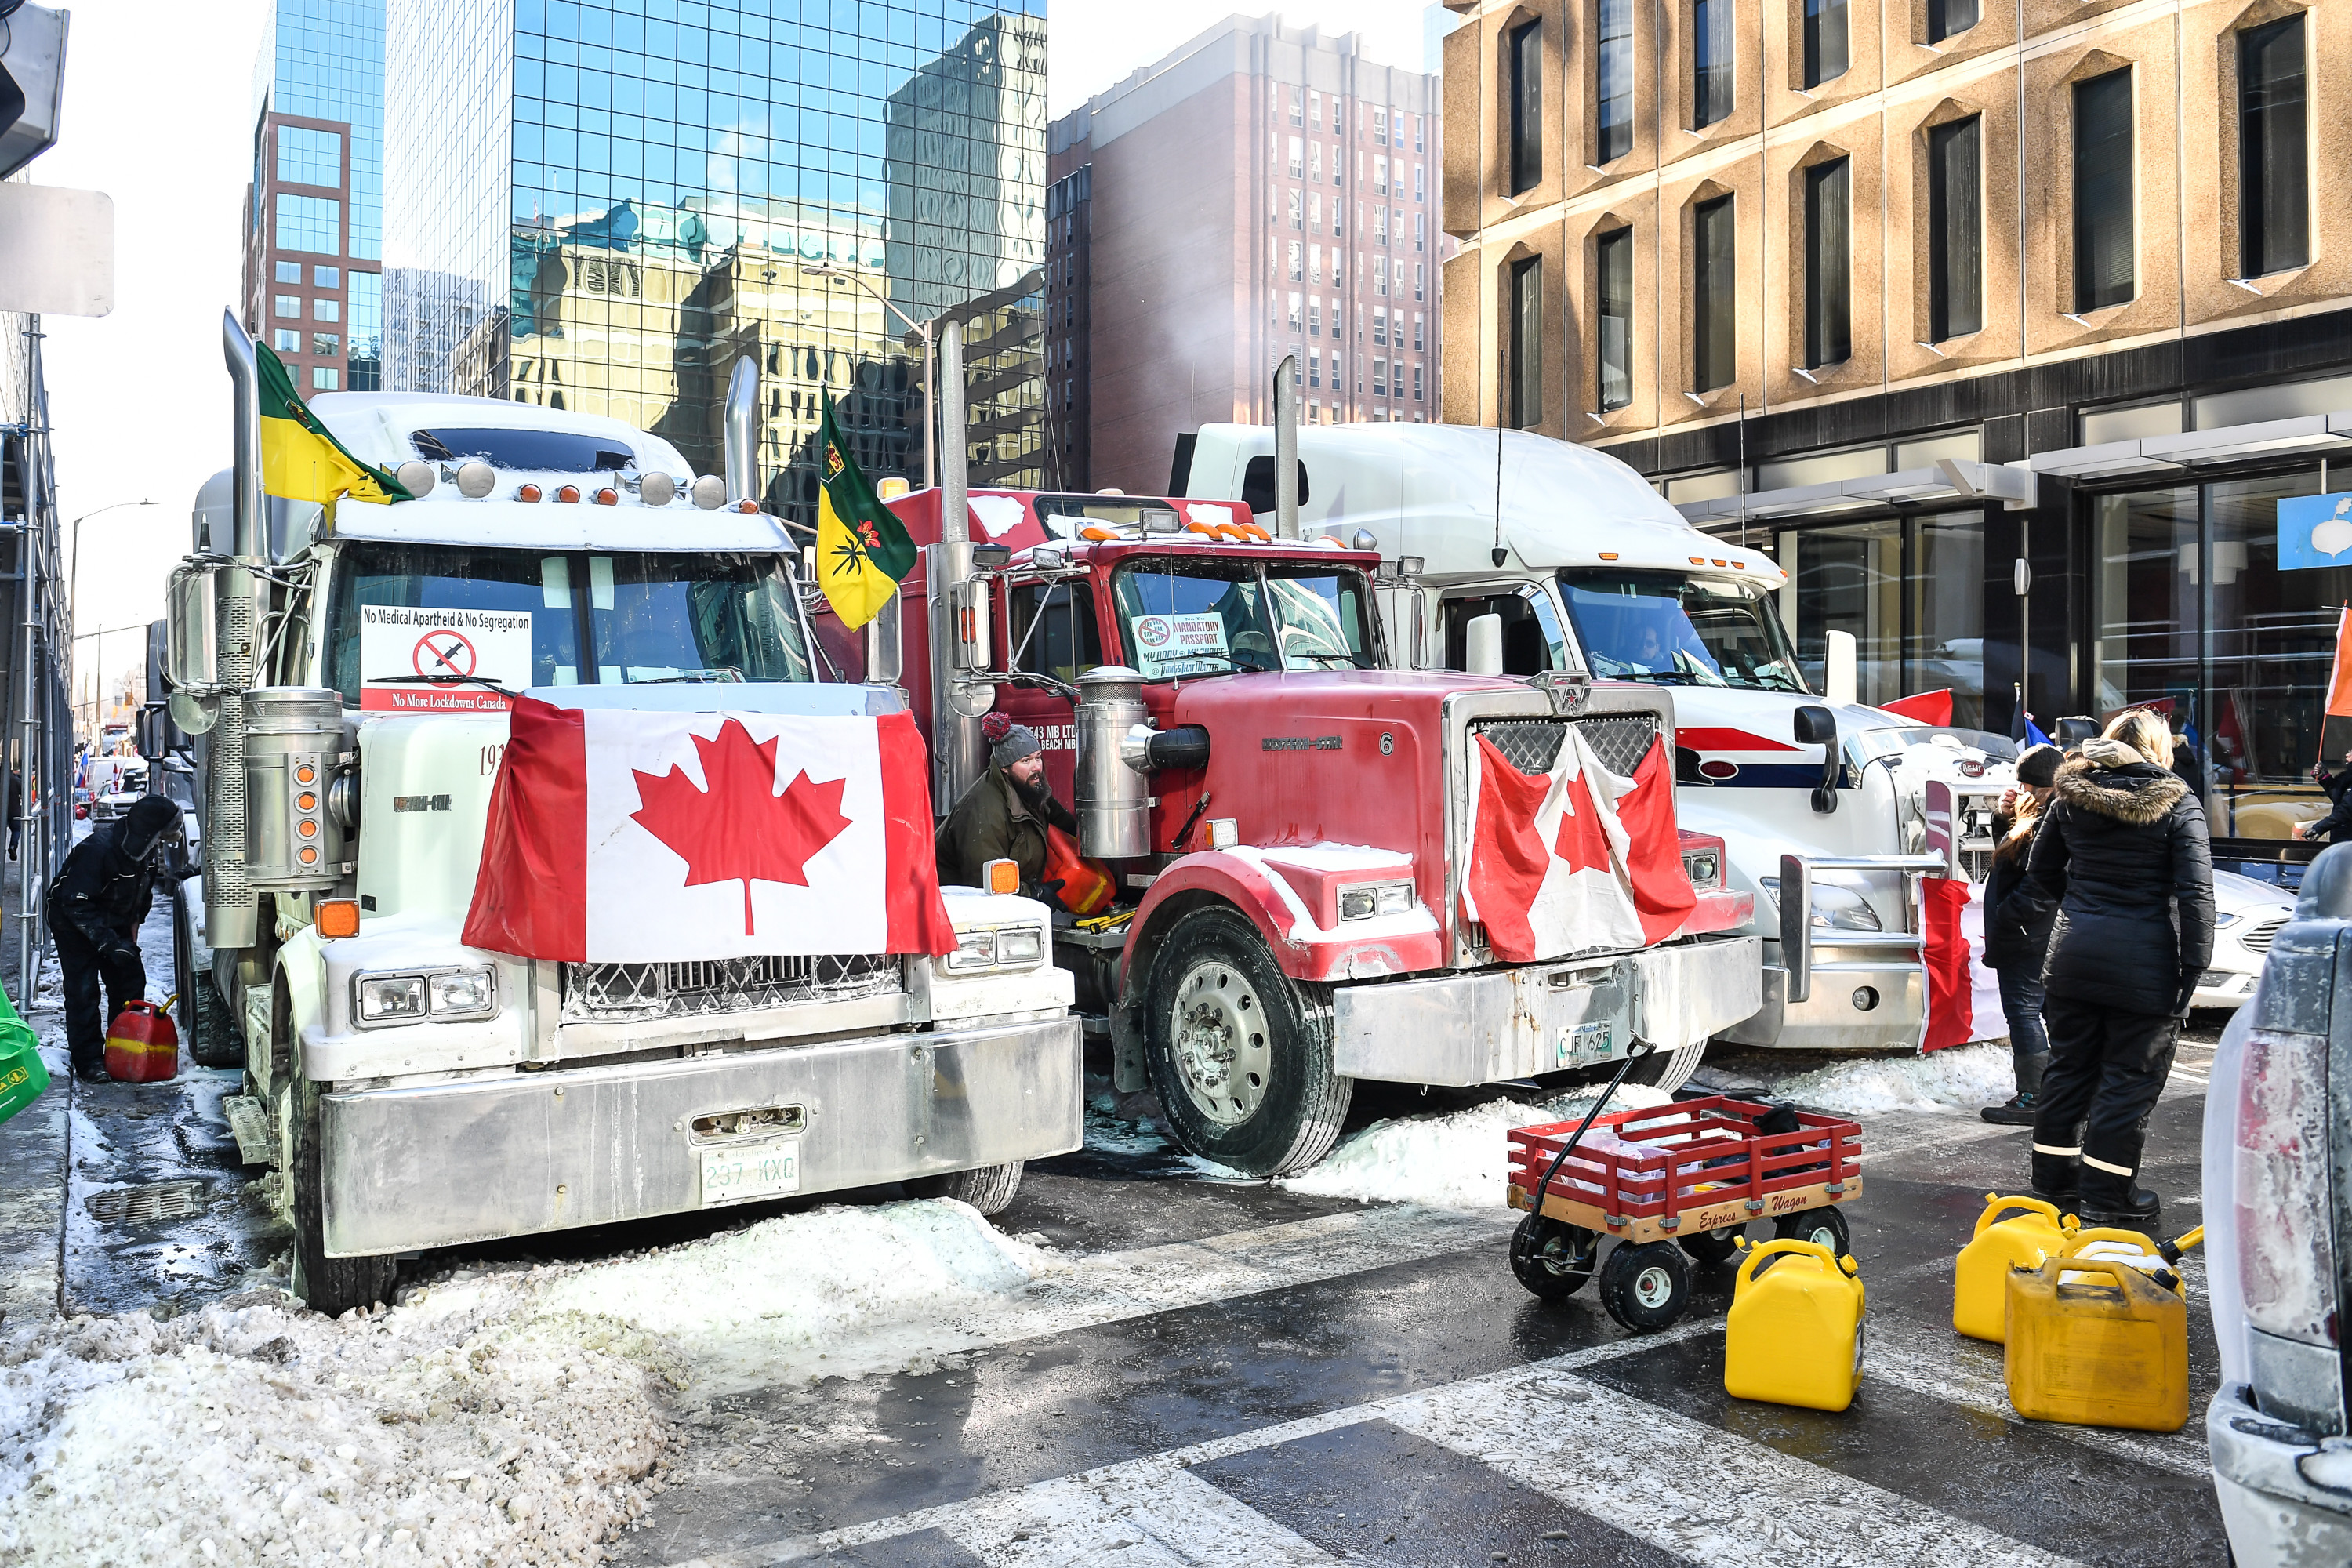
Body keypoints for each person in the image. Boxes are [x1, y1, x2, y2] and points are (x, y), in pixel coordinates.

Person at [2021, 710, 2214, 1226]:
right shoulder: (2178, 802)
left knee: (2067, 1072)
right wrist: (2194, 966)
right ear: (2159, 748)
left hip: (2073, 959)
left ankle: (2053, 1189)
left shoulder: (2070, 796)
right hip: (2148, 966)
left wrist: (2083, 913)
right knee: (2128, 1082)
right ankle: (2109, 1198)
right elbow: (2196, 894)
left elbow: (2040, 873)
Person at [47, 796, 194, 1083]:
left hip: (115, 920)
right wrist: (106, 943)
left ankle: (124, 1048)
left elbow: (140, 897)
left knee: (129, 981)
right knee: (83, 990)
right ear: (147, 833)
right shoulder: (97, 851)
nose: (161, 844)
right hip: (72, 921)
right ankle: (89, 1060)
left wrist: (129, 936)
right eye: (160, 837)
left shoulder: (145, 854)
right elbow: (74, 902)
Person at [1980, 743, 2063, 1125]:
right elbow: (2014, 857)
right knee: (2049, 1011)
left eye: (2025, 784)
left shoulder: (2050, 818)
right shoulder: (2053, 813)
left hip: (2028, 934)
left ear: (2039, 785)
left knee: (2024, 1011)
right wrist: (2005, 818)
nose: (2021, 791)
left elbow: (2034, 878)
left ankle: (2033, 1097)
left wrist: (2008, 915)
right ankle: (2062, 1092)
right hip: (2040, 932)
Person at [937, 714, 1078, 898]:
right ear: (1004, 767)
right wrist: (1035, 893)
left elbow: (1062, 820)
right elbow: (986, 882)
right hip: (958, 906)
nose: (1036, 767)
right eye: (1026, 761)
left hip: (1004, 897)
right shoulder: (984, 812)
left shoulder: (1029, 786)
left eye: (1038, 758)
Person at [2295, 748, 2352, 845]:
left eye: (2351, 752)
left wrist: (2320, 827)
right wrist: (2324, 778)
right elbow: (2339, 799)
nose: (2347, 755)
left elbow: (2347, 809)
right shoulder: (2348, 777)